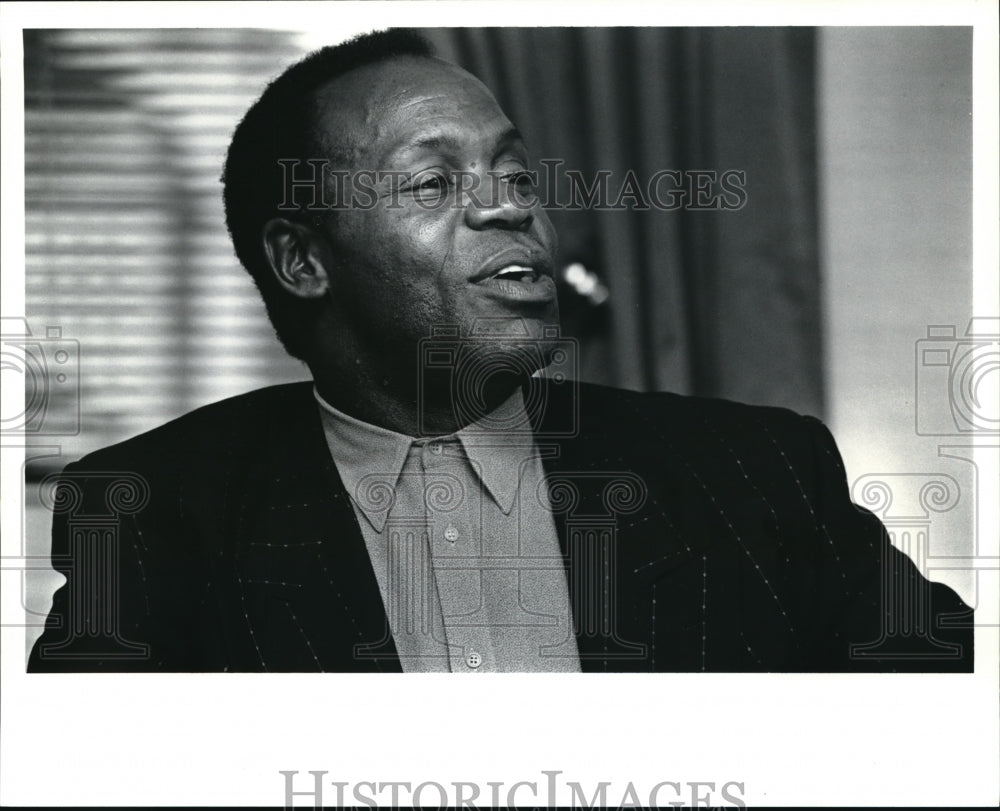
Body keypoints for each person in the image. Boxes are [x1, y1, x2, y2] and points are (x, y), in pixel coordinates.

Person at [28, 29, 973, 673]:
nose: (509, 203)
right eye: (435, 182)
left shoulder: (760, 474)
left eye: (515, 172)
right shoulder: (150, 511)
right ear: (303, 260)